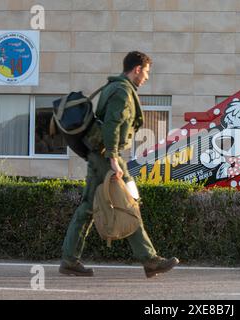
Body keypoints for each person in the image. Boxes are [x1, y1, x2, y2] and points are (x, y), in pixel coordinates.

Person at [60, 51, 179, 278]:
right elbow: (113, 124)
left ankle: (69, 259)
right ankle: (149, 259)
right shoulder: (122, 91)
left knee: (87, 207)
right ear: (136, 69)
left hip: (100, 154)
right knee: (128, 203)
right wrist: (113, 158)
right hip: (108, 156)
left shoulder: (113, 87)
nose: (146, 77)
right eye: (145, 72)